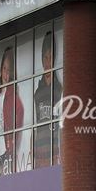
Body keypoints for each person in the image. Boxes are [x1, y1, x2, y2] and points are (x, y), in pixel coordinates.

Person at [0, 47, 24, 176]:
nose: (5, 74)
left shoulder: (12, 94)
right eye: (4, 69)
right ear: (0, 70)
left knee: (8, 180)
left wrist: (12, 141)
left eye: (8, 70)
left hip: (7, 149)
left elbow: (20, 112)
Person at [33, 31, 62, 165]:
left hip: (54, 148)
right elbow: (34, 125)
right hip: (40, 150)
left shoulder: (59, 89)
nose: (48, 62)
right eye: (45, 57)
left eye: (50, 57)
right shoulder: (37, 92)